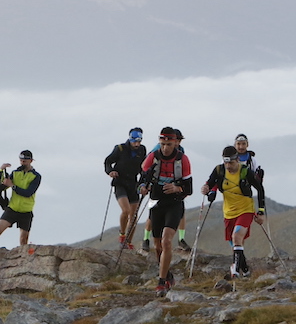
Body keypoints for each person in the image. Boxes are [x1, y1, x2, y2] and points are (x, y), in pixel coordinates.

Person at [139, 126, 192, 295]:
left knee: (166, 240)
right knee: (157, 245)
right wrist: (142, 187)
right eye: (162, 144)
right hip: (156, 202)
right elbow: (142, 177)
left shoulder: (182, 160)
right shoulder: (153, 157)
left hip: (174, 203)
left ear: (175, 143)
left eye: (169, 144)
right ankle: (167, 274)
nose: (165, 148)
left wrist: (176, 188)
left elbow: (189, 188)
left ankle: (161, 282)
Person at [201, 145, 266, 279]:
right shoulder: (219, 170)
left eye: (231, 162)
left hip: (245, 209)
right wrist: (206, 188)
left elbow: (260, 189)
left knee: (236, 237)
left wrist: (260, 211)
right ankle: (245, 270)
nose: (228, 166)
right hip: (229, 212)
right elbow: (210, 183)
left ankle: (235, 270)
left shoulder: (245, 171)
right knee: (235, 244)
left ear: (237, 160)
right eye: (226, 163)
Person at [0, 151, 42, 250]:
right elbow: (2, 185)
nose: (22, 163)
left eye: (25, 161)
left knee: (23, 240)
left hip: (26, 211)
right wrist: (1, 171)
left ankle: (24, 257)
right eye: (21, 160)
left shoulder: (36, 176)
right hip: (12, 208)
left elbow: (28, 192)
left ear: (31, 161)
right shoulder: (15, 173)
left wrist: (12, 186)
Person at [103, 128, 147, 250]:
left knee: (134, 215)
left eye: (139, 141)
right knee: (126, 210)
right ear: (130, 139)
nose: (137, 144)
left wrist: (144, 182)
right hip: (120, 182)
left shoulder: (142, 150)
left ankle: (128, 242)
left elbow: (144, 167)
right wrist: (110, 171)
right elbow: (108, 161)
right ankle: (122, 236)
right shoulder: (120, 149)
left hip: (133, 183)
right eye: (134, 141)